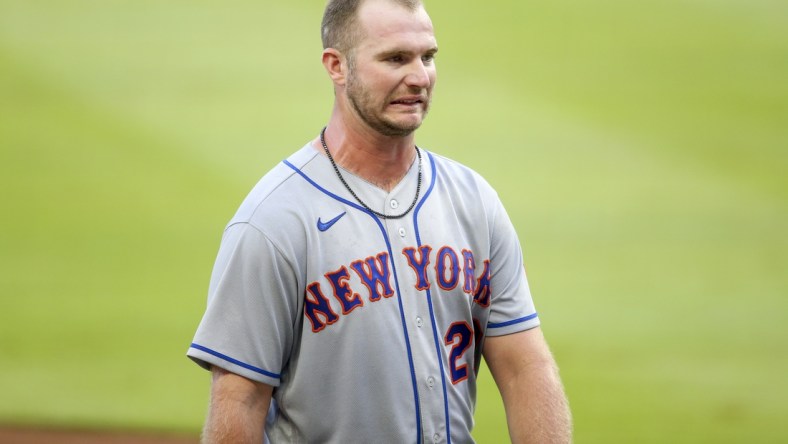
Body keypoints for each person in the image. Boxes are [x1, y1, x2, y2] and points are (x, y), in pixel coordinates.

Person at [187, 0, 572, 442]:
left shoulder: (474, 201)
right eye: (395, 58)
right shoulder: (273, 222)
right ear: (337, 66)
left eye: (427, 57)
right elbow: (240, 403)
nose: (419, 76)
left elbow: (526, 368)